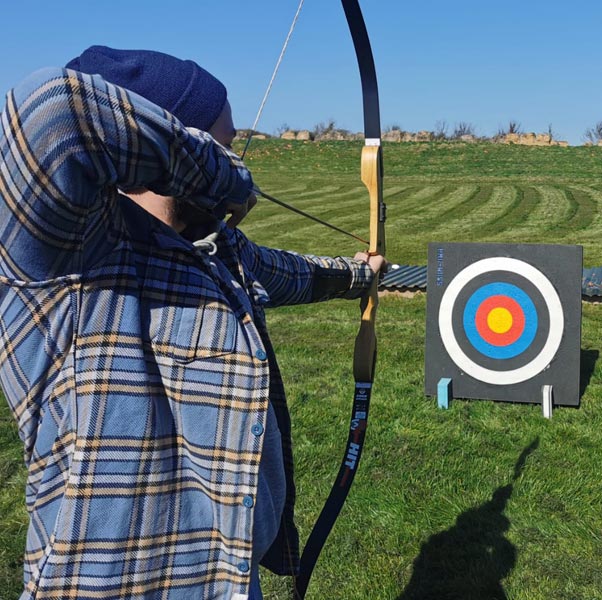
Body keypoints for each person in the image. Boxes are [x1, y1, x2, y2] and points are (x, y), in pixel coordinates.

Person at [0, 46, 384, 600]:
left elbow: (292, 273)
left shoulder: (218, 251)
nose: (236, 162)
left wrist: (358, 274)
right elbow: (53, 111)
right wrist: (221, 177)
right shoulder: (68, 257)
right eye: (221, 146)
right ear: (166, 141)